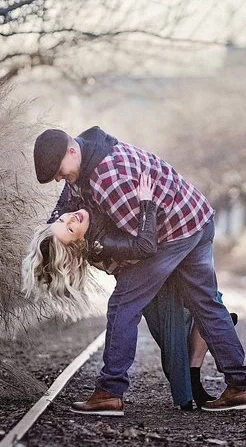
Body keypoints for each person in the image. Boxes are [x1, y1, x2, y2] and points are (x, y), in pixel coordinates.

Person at [31, 126, 246, 414]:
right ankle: (240, 385)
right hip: (198, 217)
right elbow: (68, 201)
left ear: (72, 152)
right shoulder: (88, 152)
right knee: (207, 303)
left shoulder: (108, 180)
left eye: (61, 173)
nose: (63, 180)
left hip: (173, 233)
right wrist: (52, 229)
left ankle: (110, 392)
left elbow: (143, 245)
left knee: (124, 305)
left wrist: (104, 251)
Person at [22, 175, 230, 411]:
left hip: (165, 258)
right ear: (78, 243)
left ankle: (190, 378)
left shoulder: (75, 217)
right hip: (150, 272)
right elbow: (144, 247)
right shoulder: (98, 243)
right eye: (70, 227)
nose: (71, 217)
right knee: (172, 337)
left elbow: (66, 199)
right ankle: (178, 382)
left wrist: (73, 172)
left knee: (201, 309)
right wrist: (146, 204)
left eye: (64, 219)